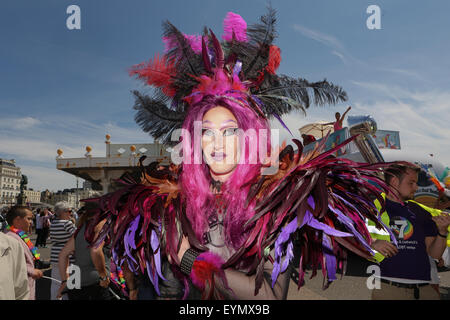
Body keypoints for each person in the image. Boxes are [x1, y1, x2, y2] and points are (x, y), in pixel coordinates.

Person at [78, 9, 396, 300]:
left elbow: (269, 297)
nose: (218, 143)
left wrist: (189, 259)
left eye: (230, 131)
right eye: (207, 132)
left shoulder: (273, 201)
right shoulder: (175, 203)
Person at [368, 163, 450, 300]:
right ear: (394, 181)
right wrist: (373, 242)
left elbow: (434, 253)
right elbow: (348, 236)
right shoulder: (373, 209)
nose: (416, 187)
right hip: (390, 291)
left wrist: (442, 232)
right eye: (411, 183)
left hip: (425, 291)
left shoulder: (421, 212)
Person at [57, 203, 113, 300]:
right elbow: (95, 250)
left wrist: (65, 280)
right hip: (95, 283)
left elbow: (63, 255)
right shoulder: (102, 226)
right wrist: (103, 276)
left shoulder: (81, 228)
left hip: (76, 282)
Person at [4, 206, 44, 300]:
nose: (31, 222)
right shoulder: (10, 238)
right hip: (19, 292)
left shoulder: (19, 235)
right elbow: (8, 263)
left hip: (26, 287)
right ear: (17, 220)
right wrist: (31, 271)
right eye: (29, 219)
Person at [49, 201, 76, 300]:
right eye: (69, 211)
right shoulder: (67, 223)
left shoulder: (53, 223)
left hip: (55, 255)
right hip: (68, 256)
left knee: (56, 283)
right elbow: (77, 236)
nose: (71, 213)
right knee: (72, 283)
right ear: (63, 212)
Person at [0, 232, 30, 300]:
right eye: (27, 220)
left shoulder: (13, 243)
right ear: (17, 221)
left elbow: (21, 293)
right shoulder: (11, 235)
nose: (29, 222)